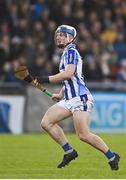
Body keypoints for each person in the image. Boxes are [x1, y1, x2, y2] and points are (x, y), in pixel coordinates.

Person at [33, 25, 120, 169]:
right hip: (69, 99)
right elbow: (73, 78)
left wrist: (44, 79)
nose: (58, 37)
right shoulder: (66, 53)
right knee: (46, 122)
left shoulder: (71, 52)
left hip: (81, 98)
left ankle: (111, 156)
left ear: (71, 37)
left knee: (83, 135)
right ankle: (69, 151)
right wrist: (60, 94)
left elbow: (68, 74)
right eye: (57, 35)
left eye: (62, 34)